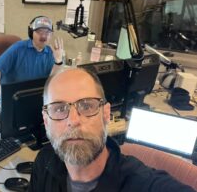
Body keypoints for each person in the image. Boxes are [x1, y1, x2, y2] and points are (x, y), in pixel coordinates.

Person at [28, 67, 194, 192]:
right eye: (59, 108)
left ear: (106, 113)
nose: (73, 121)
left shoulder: (144, 184)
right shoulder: (45, 161)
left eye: (87, 106)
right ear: (46, 120)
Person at [0, 16, 63, 97]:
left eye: (47, 32)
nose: (44, 36)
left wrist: (58, 61)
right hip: (15, 96)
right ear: (31, 33)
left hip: (37, 96)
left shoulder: (51, 52)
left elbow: (53, 80)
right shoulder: (18, 48)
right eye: (39, 31)